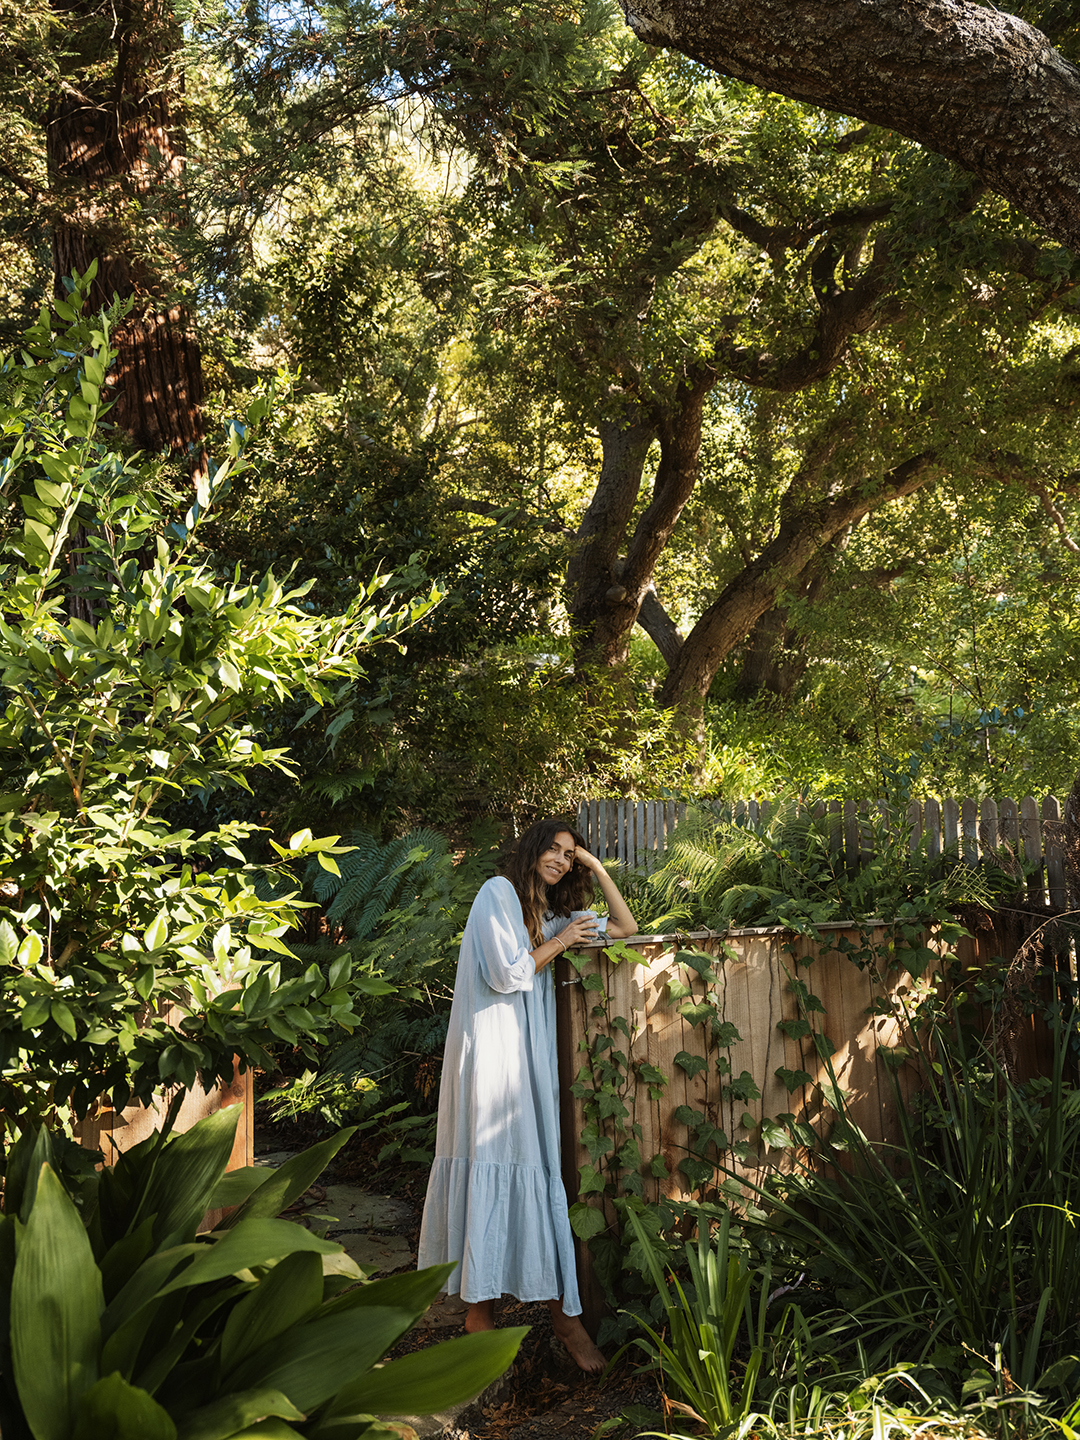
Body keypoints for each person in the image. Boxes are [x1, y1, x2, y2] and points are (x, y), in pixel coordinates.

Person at [417, 817, 637, 1374]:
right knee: (493, 1160)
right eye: (556, 850)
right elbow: (506, 973)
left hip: (526, 1058)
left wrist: (597, 867)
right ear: (532, 849)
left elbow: (625, 928)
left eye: (571, 856)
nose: (562, 860)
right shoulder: (497, 895)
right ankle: (486, 1316)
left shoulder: (554, 915)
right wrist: (561, 943)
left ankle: (530, 1317)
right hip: (489, 1052)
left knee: (525, 1166)